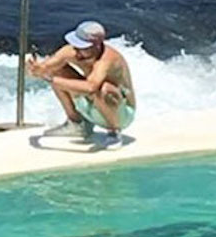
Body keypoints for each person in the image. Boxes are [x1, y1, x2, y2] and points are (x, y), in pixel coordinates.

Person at [26, 20, 135, 149]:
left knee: (103, 89)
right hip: (93, 104)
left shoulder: (107, 60)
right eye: (75, 46)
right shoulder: (72, 51)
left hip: (120, 113)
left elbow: (91, 87)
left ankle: (114, 132)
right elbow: (47, 67)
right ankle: (76, 124)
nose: (76, 52)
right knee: (57, 70)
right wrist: (37, 69)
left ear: (97, 46)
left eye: (82, 48)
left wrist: (50, 79)